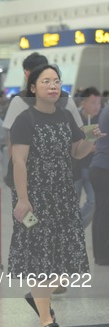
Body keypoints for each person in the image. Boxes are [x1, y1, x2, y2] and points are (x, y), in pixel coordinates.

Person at [8, 64, 104, 327]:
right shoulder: (25, 120)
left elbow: (76, 152)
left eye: (57, 81)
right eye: (46, 81)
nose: (53, 85)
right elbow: (19, 161)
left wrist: (90, 141)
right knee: (40, 257)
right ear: (33, 87)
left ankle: (38, 296)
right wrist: (23, 199)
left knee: (64, 257)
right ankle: (45, 320)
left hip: (62, 194)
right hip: (35, 197)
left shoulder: (64, 116)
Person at [75, 87, 102, 229]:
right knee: (71, 204)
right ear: (83, 103)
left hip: (93, 169)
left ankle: (75, 230)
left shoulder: (103, 118)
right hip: (75, 168)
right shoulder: (74, 118)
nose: (96, 107)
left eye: (98, 103)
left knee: (93, 202)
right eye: (92, 103)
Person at [90, 104, 109, 266]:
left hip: (98, 167)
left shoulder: (105, 110)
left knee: (101, 212)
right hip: (104, 169)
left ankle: (100, 254)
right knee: (104, 212)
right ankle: (103, 255)